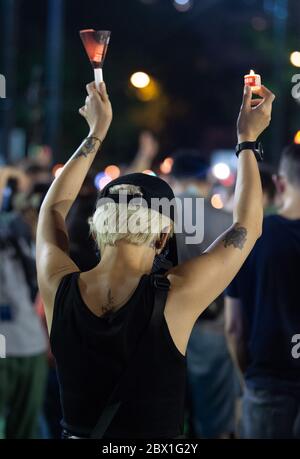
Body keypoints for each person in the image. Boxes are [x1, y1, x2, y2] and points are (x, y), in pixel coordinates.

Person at [36, 81, 274, 438]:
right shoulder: (176, 295)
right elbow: (248, 225)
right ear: (163, 237)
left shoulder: (59, 285)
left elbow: (52, 209)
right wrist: (246, 138)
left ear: (99, 227)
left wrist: (95, 132)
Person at [225, 144, 300, 439]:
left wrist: (248, 381)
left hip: (267, 380)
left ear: (280, 182)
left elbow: (233, 328)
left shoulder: (254, 236)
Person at [170, 152, 239, 438]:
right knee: (214, 423)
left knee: (166, 421)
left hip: (165, 329)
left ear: (174, 179)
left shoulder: (157, 216)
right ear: (206, 179)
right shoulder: (225, 221)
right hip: (212, 329)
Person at [0, 168, 48, 439]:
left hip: (31, 347)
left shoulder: (37, 244)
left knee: (26, 428)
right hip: (4, 346)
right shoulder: (10, 234)